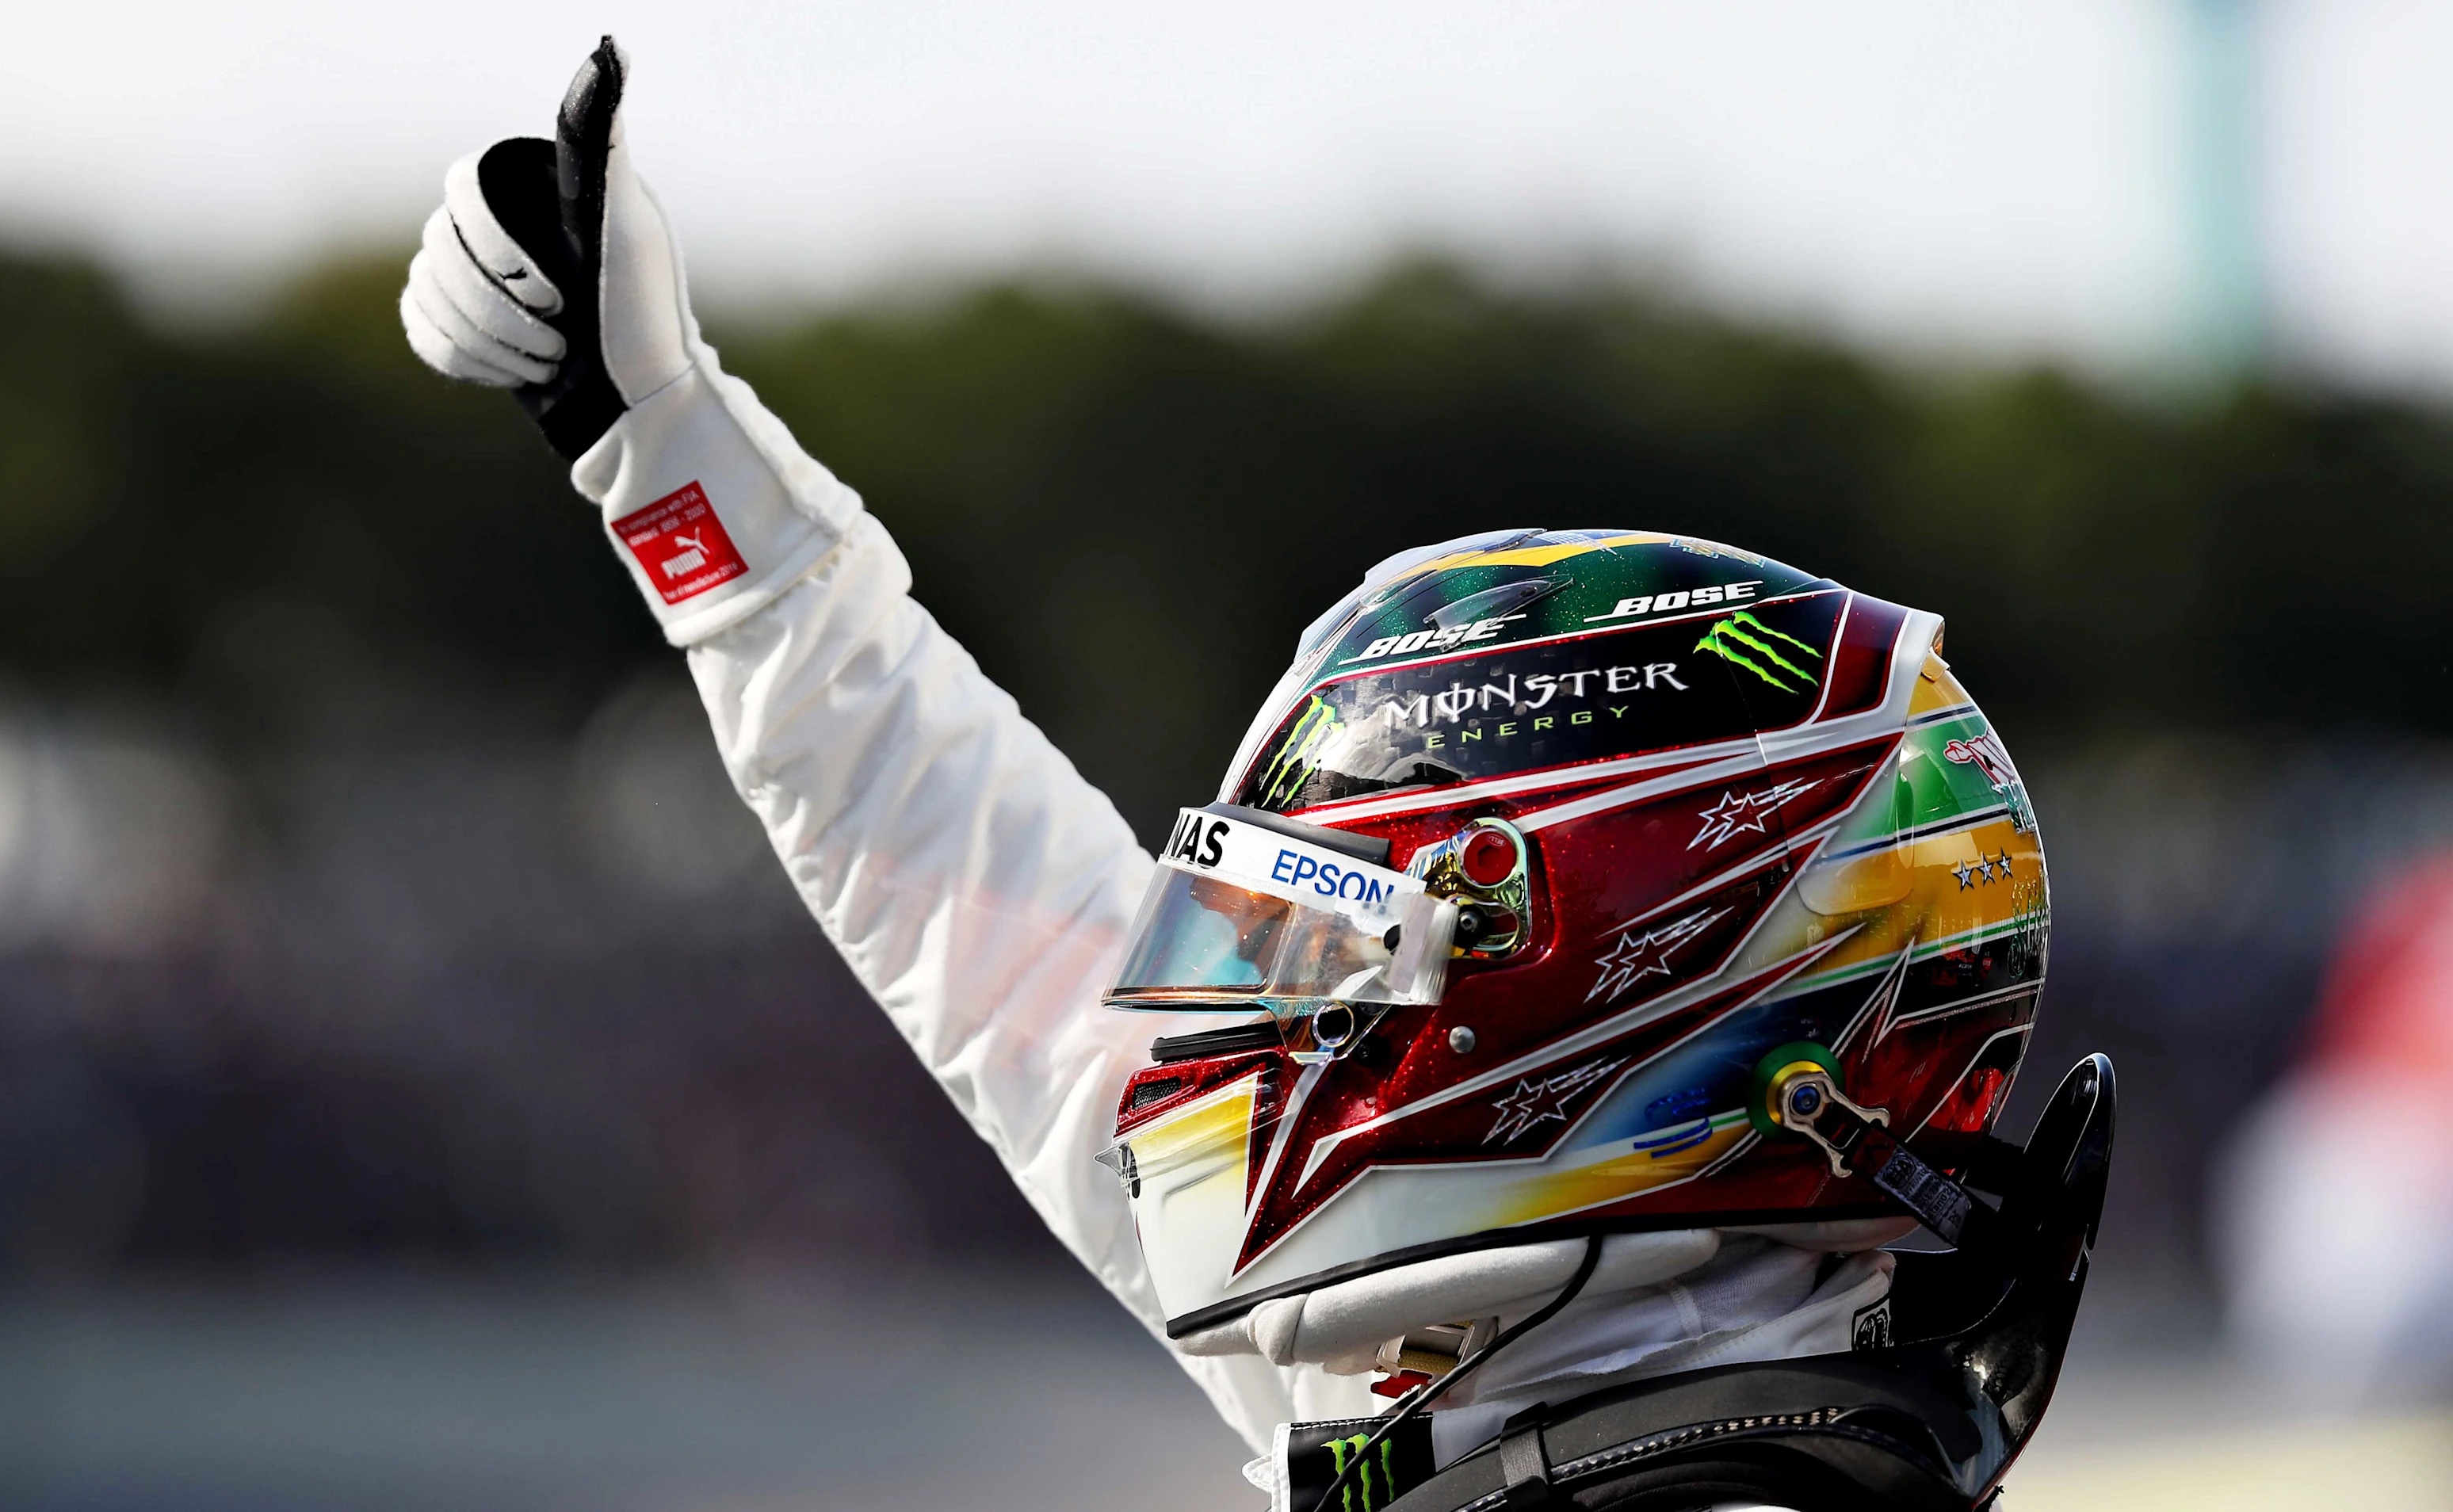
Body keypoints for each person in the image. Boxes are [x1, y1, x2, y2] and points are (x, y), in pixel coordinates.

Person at [399, 41, 2112, 1511]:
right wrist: (666, 455)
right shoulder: (1506, 1365)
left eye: (1315, 950)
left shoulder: (1554, 1392)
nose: (1217, 1023)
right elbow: (988, 923)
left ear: (1594, 984)